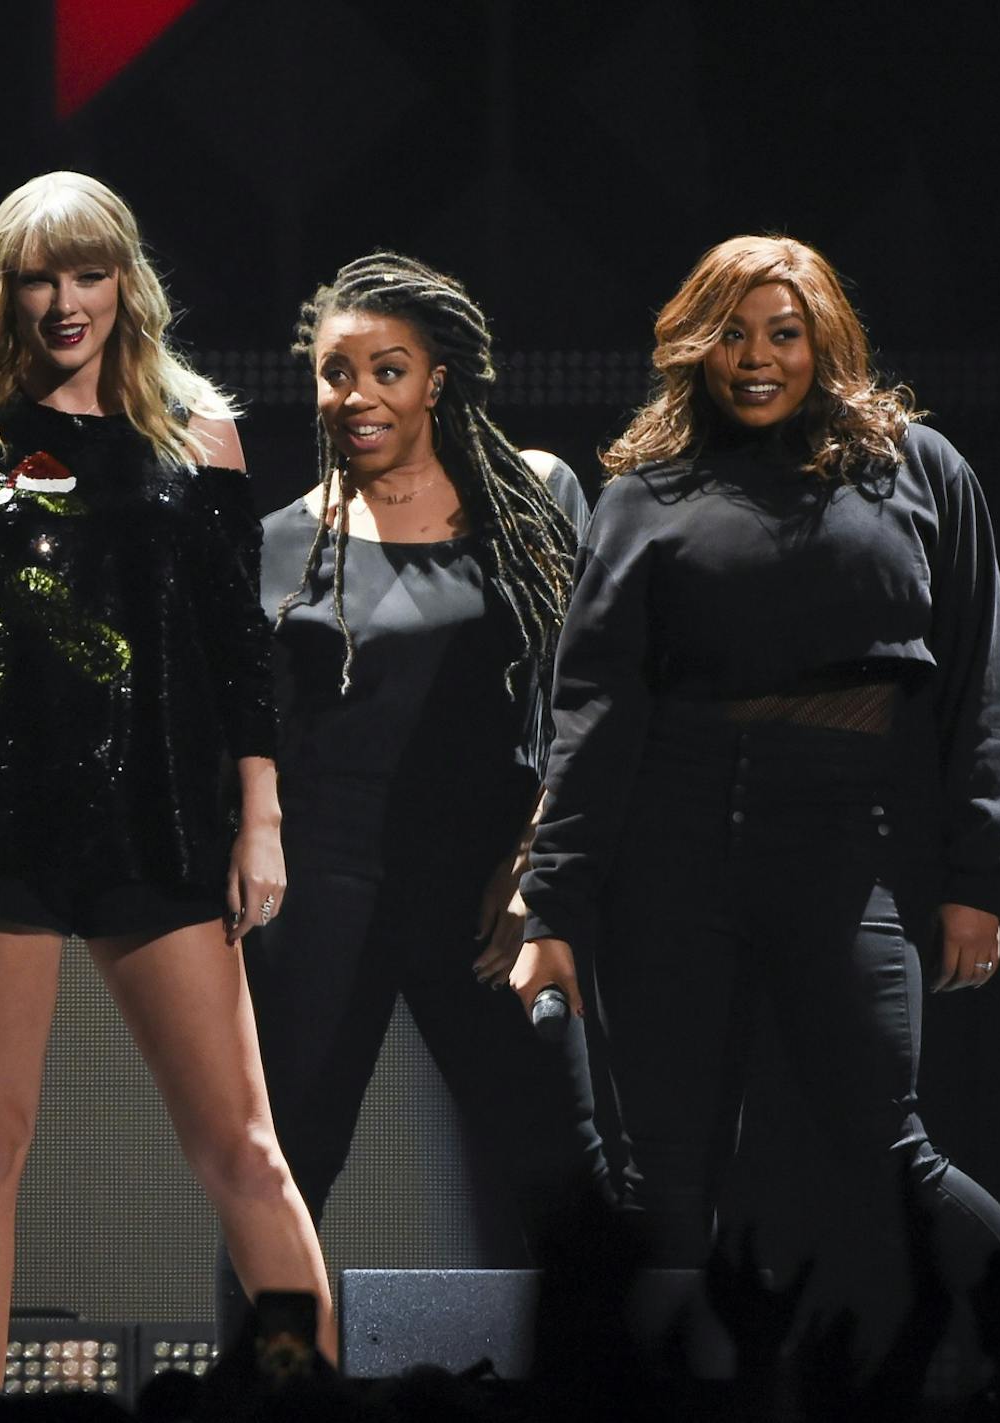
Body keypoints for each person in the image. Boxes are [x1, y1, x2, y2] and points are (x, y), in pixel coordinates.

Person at [0, 170, 334, 1381]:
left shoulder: (197, 431)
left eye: (89, 273)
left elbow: (238, 649)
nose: (66, 301)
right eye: (40, 276)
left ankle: (302, 1392)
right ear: (4, 289)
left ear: (127, 279)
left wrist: (259, 816)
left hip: (158, 817)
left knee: (246, 1152)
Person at [515, 234, 1000, 1285]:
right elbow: (594, 709)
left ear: (823, 341)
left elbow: (978, 682)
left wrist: (978, 877)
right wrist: (552, 904)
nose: (756, 357)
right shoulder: (649, 490)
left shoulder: (916, 472)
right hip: (671, 851)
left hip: (842, 846)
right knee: (663, 1181)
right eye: (732, 335)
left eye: (783, 334)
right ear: (696, 348)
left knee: (892, 1155)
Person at [215, 252, 617, 1341]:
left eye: (386, 369)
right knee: (283, 1167)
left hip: (485, 889)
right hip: (323, 891)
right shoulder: (282, 545)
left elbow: (584, 699)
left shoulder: (533, 502)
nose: (357, 396)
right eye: (335, 373)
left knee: (563, 1172)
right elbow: (248, 735)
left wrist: (536, 865)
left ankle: (610, 1390)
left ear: (437, 379)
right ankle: (267, 1403)